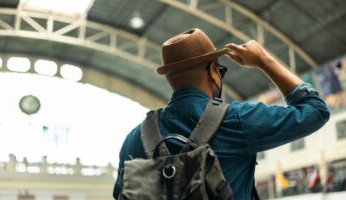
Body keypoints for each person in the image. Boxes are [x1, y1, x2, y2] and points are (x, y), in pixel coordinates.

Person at [113, 28, 330, 199]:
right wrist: (264, 60)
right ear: (213, 72)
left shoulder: (134, 139)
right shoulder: (234, 120)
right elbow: (315, 110)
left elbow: (122, 194)